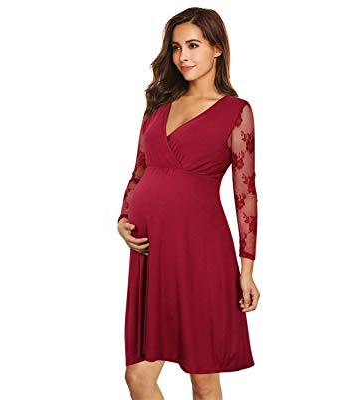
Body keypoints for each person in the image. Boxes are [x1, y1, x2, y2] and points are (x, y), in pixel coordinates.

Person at [117, 7, 260, 400]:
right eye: (177, 47)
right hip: (152, 252)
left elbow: (245, 193)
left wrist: (247, 269)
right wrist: (123, 218)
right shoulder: (157, 104)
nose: (183, 56)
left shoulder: (236, 111)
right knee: (138, 377)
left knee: (203, 378)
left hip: (201, 252)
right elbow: (139, 171)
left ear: (217, 48)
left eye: (193, 45)